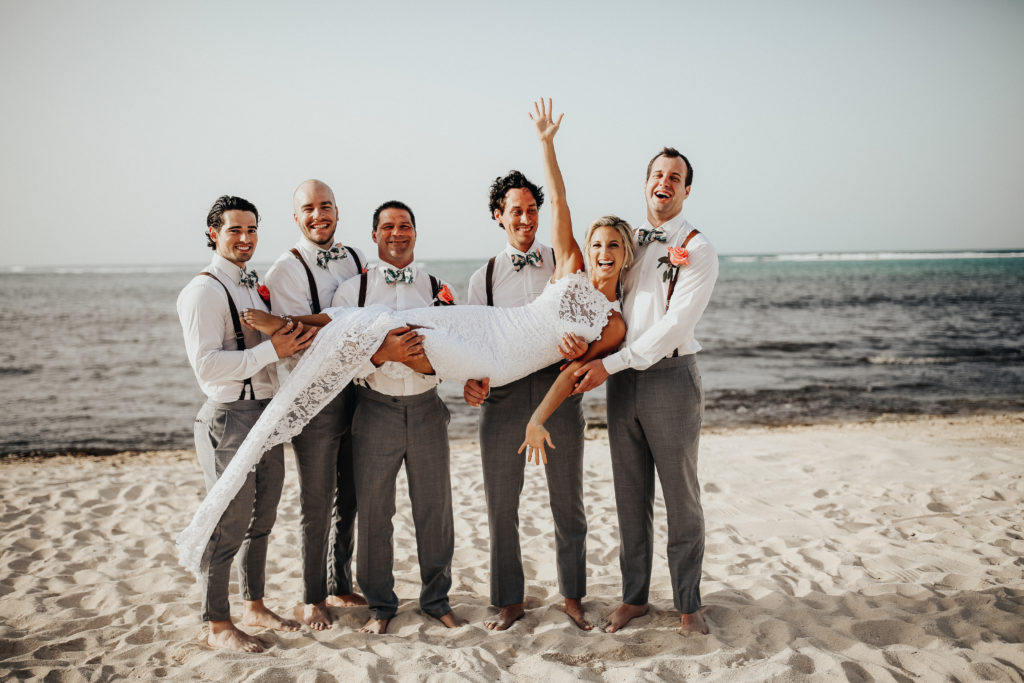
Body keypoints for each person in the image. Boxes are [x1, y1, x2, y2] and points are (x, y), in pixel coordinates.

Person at [175, 101, 630, 611]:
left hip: (506, 364)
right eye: (598, 243)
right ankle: (293, 327)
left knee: (398, 344)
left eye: (613, 247)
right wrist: (547, 145)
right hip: (482, 334)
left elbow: (578, 370)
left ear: (622, 254)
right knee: (382, 326)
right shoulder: (565, 264)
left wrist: (553, 389)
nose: (603, 253)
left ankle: (530, 598)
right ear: (584, 246)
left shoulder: (614, 323)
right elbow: (562, 199)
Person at [573, 147, 719, 636]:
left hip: (671, 380)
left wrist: (608, 363)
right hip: (621, 383)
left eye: (675, 177)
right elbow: (601, 292)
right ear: (645, 183)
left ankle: (688, 604)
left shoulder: (698, 249)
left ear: (686, 189)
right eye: (658, 174)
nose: (665, 181)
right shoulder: (626, 242)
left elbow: (675, 326)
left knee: (682, 497)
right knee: (629, 496)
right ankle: (634, 598)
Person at [462, 123, 591, 630]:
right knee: (501, 505)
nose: (525, 218)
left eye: (531, 210)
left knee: (568, 502)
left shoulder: (561, 259)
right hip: (504, 400)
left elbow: (583, 317)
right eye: (515, 210)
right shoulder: (483, 277)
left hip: (560, 394)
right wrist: (470, 382)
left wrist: (580, 345)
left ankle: (574, 595)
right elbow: (473, 344)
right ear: (499, 216)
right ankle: (509, 600)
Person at [175, 195, 313, 652]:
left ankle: (253, 604)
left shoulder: (253, 285)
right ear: (213, 233)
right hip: (229, 418)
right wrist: (274, 350)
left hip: (267, 414)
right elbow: (208, 368)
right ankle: (217, 624)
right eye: (235, 230)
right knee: (228, 522)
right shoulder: (203, 291)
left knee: (264, 515)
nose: (245, 238)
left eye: (251, 229)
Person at [328, 199, 462, 634]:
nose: (397, 233)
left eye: (405, 226)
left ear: (415, 233)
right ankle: (382, 606)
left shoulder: (438, 288)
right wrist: (381, 356)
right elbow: (338, 359)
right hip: (374, 409)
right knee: (374, 511)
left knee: (435, 508)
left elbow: (457, 350)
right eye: (388, 227)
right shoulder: (354, 292)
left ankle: (436, 599)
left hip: (427, 408)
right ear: (374, 235)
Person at [264, 180, 367, 631]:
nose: (318, 215)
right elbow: (295, 340)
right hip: (314, 397)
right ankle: (311, 597)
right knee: (316, 498)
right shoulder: (283, 271)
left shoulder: (358, 258)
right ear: (296, 218)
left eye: (325, 206)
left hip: (361, 390)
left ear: (338, 212)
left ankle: (339, 581)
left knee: (352, 494)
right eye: (308, 208)